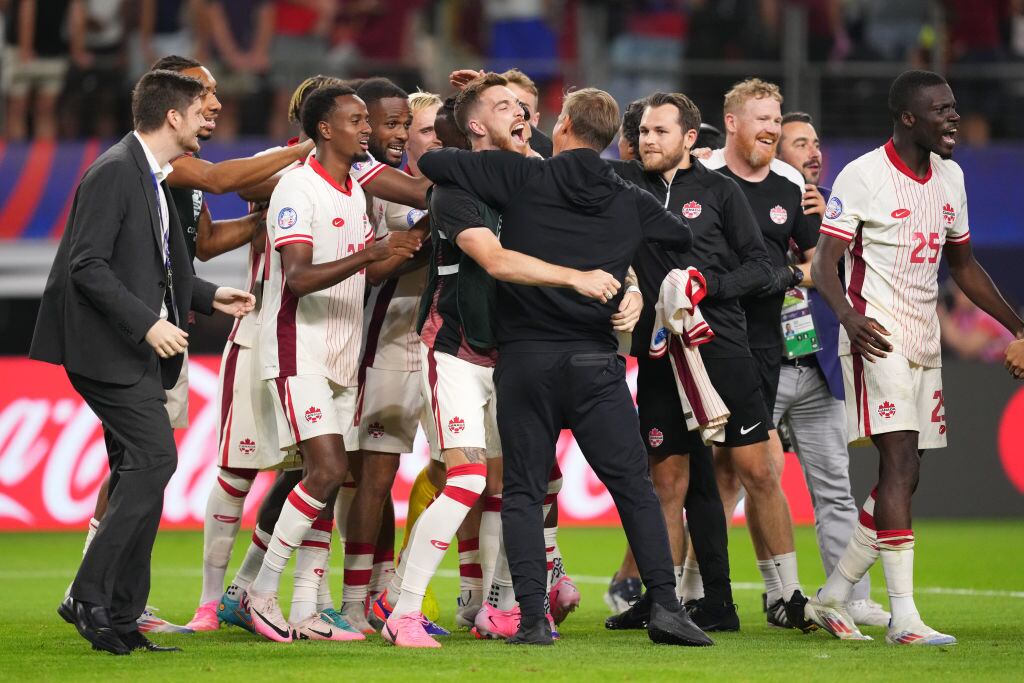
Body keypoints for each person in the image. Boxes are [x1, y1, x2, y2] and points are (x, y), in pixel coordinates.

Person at [418, 86, 714, 648]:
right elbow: (680, 236)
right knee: (633, 489)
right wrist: (626, 272)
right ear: (616, 140)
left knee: (525, 492)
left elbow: (434, 161)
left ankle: (531, 620)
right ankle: (668, 611)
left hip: (526, 360)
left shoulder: (524, 177)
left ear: (565, 127)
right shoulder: (628, 193)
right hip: (594, 361)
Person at [375, 74, 626, 649]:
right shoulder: (456, 185)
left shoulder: (536, 178)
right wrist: (577, 279)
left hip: (514, 357)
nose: (523, 113)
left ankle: (500, 607)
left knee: (521, 485)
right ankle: (402, 610)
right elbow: (495, 259)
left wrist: (627, 284)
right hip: (458, 351)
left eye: (524, 104)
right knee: (465, 481)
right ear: (476, 127)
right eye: (506, 107)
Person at [31, 69, 255, 655]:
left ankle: (123, 616)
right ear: (173, 117)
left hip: (129, 346)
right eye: (201, 109)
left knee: (146, 471)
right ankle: (89, 593)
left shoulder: (150, 177)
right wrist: (149, 322)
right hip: (106, 349)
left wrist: (206, 296)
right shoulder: (114, 172)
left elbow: (154, 265)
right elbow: (88, 266)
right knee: (155, 461)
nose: (211, 119)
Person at [812, 69, 1024, 646]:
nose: (954, 118)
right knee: (899, 460)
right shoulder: (862, 176)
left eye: (954, 107)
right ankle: (903, 617)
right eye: (941, 110)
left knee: (906, 474)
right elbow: (823, 265)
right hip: (874, 337)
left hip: (924, 340)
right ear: (908, 118)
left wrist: (1018, 327)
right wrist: (850, 320)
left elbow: (964, 268)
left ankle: (833, 596)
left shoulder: (951, 177)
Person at [245, 84, 423, 643]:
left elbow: (365, 273)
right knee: (324, 471)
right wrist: (369, 253)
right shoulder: (297, 188)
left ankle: (306, 607)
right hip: (301, 349)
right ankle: (259, 590)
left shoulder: (352, 191)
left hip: (343, 354)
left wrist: (397, 249)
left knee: (327, 477)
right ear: (324, 129)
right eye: (356, 121)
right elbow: (296, 278)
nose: (367, 130)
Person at [604, 91, 776, 633]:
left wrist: (711, 286)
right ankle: (667, 601)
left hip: (720, 348)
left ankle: (771, 595)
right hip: (658, 355)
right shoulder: (622, 185)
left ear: (689, 139)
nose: (647, 140)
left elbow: (762, 265)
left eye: (660, 131)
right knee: (669, 481)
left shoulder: (719, 191)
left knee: (748, 470)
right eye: (643, 132)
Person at [696, 78, 850, 635]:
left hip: (765, 347)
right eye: (760, 117)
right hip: (699, 343)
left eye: (775, 118)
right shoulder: (699, 175)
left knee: (751, 470)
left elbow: (818, 266)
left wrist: (777, 278)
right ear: (731, 122)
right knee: (705, 473)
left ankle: (781, 593)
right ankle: (692, 591)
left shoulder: (790, 184)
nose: (770, 127)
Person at [774, 111, 889, 627]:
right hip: (764, 364)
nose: (814, 151)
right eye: (800, 143)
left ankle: (851, 595)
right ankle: (766, 594)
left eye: (816, 142)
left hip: (818, 365)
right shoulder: (754, 200)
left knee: (835, 490)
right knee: (730, 480)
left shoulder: (839, 210)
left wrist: (825, 231)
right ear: (776, 153)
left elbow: (850, 275)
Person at [340, 79, 432, 633]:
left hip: (448, 340)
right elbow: (370, 267)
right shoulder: (361, 180)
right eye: (396, 125)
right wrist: (426, 234)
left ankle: (418, 592)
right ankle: (358, 599)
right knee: (373, 475)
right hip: (387, 333)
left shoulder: (428, 183)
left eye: (409, 126)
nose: (401, 136)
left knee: (463, 471)